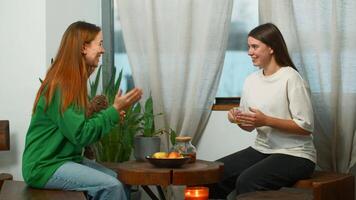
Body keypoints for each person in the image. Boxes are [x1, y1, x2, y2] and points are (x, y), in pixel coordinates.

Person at [22, 21, 142, 200]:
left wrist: (113, 114)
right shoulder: (62, 85)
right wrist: (113, 111)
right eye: (100, 44)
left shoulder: (73, 82)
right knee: (112, 187)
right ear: (84, 47)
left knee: (120, 180)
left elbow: (79, 124)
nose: (103, 50)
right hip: (44, 166)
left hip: (66, 160)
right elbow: (80, 134)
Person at [209, 23, 316, 199]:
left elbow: (306, 127)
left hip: (296, 154)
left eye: (254, 46)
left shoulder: (291, 78)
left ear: (271, 48)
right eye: (249, 47)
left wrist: (266, 120)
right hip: (262, 149)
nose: (249, 52)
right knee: (214, 174)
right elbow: (250, 126)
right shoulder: (251, 80)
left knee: (247, 181)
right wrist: (237, 118)